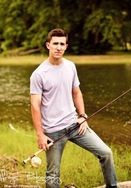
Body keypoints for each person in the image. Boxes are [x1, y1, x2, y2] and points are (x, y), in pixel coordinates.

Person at [30, 28, 117, 188]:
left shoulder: (70, 66)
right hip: (53, 132)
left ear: (66, 46)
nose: (58, 47)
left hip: (75, 126)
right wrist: (40, 135)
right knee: (52, 174)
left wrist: (83, 116)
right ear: (48, 45)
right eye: (55, 43)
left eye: (62, 44)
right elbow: (35, 106)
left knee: (106, 153)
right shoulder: (39, 74)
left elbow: (77, 93)